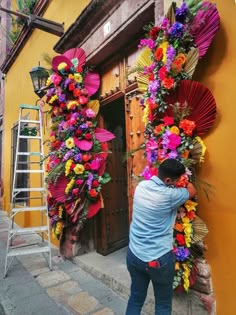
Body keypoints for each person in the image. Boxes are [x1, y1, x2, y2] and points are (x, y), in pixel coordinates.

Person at [125, 158, 196, 315]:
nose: (177, 183)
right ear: (169, 180)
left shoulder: (141, 186)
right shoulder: (170, 195)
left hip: (134, 255)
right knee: (163, 305)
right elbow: (192, 190)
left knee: (136, 298)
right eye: (176, 180)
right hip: (158, 259)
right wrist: (185, 181)